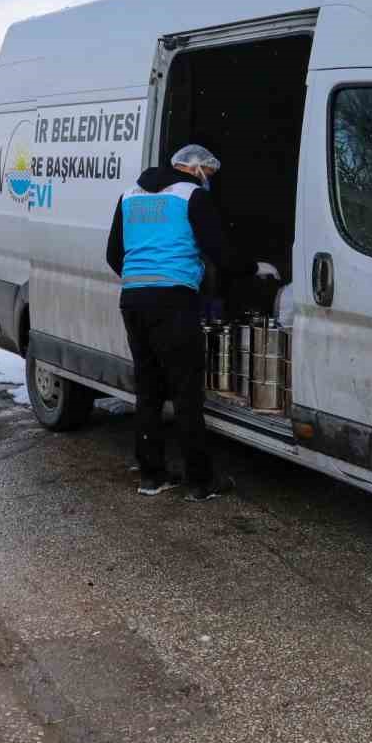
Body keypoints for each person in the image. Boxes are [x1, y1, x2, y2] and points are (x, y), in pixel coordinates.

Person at [106, 144, 279, 500]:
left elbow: (113, 254)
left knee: (149, 390)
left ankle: (151, 476)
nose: (209, 181)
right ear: (196, 170)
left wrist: (143, 275)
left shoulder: (129, 195)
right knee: (186, 392)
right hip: (172, 302)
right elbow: (220, 253)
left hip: (133, 300)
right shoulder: (192, 197)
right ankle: (200, 481)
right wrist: (253, 268)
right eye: (209, 174)